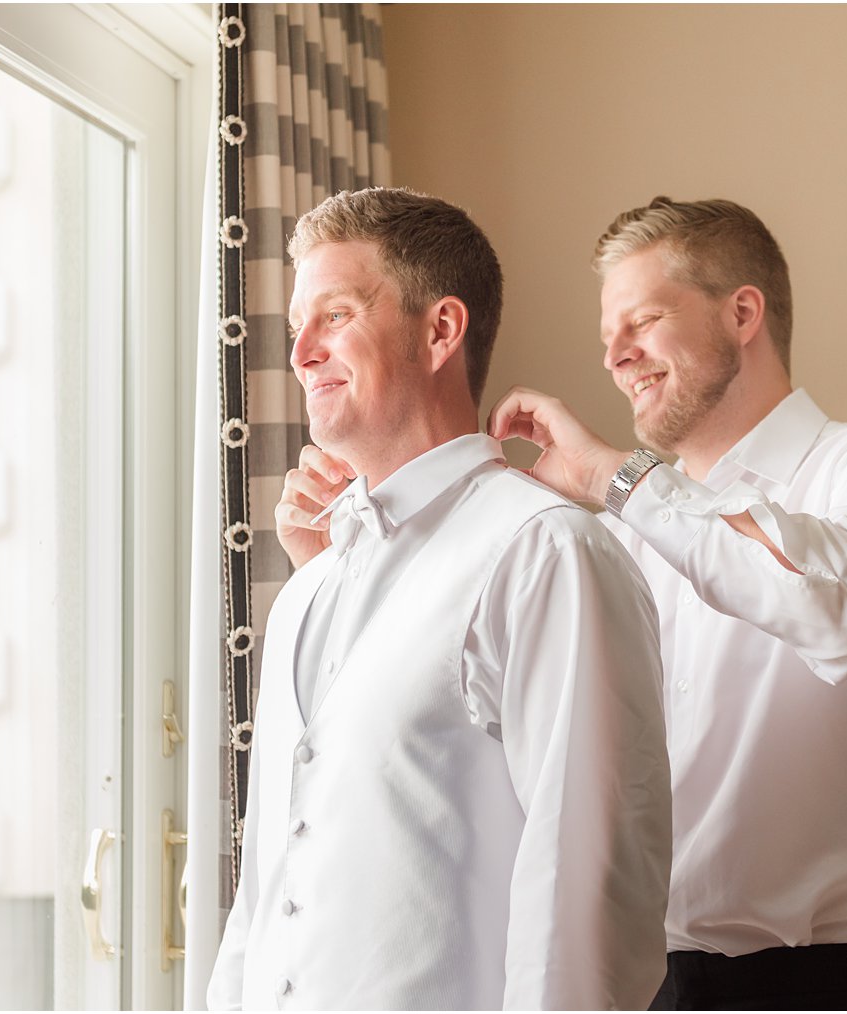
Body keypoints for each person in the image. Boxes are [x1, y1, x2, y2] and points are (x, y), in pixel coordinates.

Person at [488, 196, 847, 1011]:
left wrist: (621, 483)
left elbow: (845, 611)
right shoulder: (629, 538)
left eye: (641, 320)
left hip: (829, 990)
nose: (615, 356)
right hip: (647, 987)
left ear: (742, 312)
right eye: (607, 336)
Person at [206, 187, 672, 1011]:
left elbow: (589, 901)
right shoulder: (306, 593)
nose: (302, 352)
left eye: (336, 316)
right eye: (294, 330)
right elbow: (262, 896)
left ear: (440, 330)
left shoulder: (546, 553)